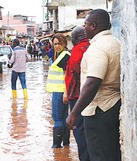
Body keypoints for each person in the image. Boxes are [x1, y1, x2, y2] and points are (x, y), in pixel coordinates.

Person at [66, 9, 121, 161]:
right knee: (111, 154)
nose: (84, 28)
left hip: (98, 110)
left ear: (93, 26)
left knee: (99, 155)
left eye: (86, 24)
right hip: (112, 106)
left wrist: (73, 113)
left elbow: (92, 83)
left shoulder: (97, 48)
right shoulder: (115, 42)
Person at [65, 26, 90, 161]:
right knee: (87, 129)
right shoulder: (90, 46)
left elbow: (75, 64)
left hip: (77, 96)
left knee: (78, 129)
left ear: (75, 38)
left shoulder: (78, 49)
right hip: (87, 95)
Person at [45, 33, 70, 148]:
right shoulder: (61, 55)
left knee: (57, 118)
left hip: (60, 92)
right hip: (60, 91)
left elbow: (67, 76)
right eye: (55, 44)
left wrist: (65, 92)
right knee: (64, 118)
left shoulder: (64, 56)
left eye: (59, 43)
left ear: (64, 43)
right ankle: (66, 145)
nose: (57, 46)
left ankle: (56, 146)